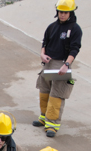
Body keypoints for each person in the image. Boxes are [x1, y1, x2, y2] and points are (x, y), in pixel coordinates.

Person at [33, 0, 82, 138]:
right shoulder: (52, 27)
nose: (62, 15)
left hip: (61, 64)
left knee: (56, 95)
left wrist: (66, 65)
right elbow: (45, 42)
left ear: (71, 13)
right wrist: (42, 54)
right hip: (48, 63)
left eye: (65, 12)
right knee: (44, 92)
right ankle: (44, 117)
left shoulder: (75, 29)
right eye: (60, 12)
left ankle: (52, 125)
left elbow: (75, 49)